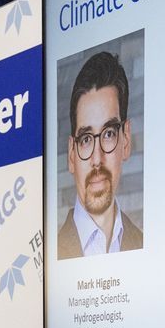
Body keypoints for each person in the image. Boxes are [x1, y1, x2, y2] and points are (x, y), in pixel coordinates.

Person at [56, 51, 144, 259]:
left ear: (126, 140)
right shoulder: (51, 254)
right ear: (71, 154)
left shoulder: (143, 243)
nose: (97, 159)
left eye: (108, 134)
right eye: (86, 139)